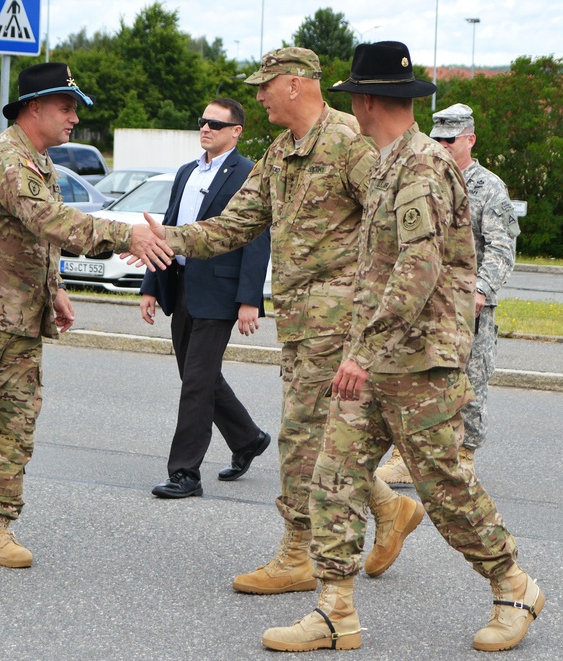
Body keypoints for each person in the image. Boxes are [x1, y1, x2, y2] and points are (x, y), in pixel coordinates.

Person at [260, 41, 543, 653]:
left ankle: (513, 584)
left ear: (364, 99)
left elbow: (418, 267)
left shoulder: (419, 168)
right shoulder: (385, 162)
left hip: (419, 361)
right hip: (374, 355)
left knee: (444, 488)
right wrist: (359, 349)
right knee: (332, 476)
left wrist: (363, 351)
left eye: (352, 98)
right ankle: (334, 611)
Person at [148, 47, 423, 593]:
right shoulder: (280, 152)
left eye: (264, 85)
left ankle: (299, 554)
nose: (257, 96)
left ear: (295, 84)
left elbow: (393, 229)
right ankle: (390, 510)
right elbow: (235, 225)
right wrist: (167, 240)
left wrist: (374, 321)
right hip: (299, 325)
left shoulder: (349, 143)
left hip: (340, 325)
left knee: (301, 437)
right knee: (324, 439)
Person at [0, 62, 172, 568]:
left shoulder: (40, 164)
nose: (73, 119)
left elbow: (33, 239)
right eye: (66, 108)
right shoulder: (4, 159)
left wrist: (55, 288)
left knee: (16, 428)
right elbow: (48, 220)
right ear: (33, 108)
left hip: (21, 317)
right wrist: (126, 233)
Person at [377, 102, 520, 485]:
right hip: (420, 300)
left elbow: (502, 247)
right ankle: (404, 456)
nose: (441, 144)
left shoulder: (488, 187)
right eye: (436, 137)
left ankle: (464, 455)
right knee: (411, 381)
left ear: (470, 140)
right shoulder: (422, 178)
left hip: (465, 304)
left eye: (449, 139)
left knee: (469, 382)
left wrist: (481, 290)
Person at [140, 98, 272, 499]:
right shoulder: (186, 172)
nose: (206, 129)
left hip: (220, 291)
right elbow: (167, 229)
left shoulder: (249, 175)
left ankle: (185, 473)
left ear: (236, 131)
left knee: (196, 382)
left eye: (216, 123)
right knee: (197, 376)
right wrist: (150, 284)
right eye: (203, 122)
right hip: (180, 285)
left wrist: (250, 299)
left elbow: (256, 237)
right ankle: (247, 438)